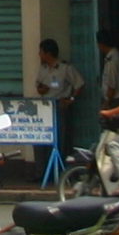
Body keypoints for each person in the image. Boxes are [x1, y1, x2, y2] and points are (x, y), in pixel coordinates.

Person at [35, 38, 83, 174]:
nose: (39, 55)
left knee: (61, 139)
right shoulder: (43, 69)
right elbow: (38, 85)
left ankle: (62, 171)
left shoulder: (65, 68)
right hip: (45, 107)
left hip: (59, 105)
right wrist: (41, 89)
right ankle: (44, 171)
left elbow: (79, 84)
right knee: (44, 138)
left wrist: (71, 99)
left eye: (41, 52)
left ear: (48, 53)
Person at [98, 29, 119, 113]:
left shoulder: (113, 59)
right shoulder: (114, 55)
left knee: (113, 125)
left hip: (114, 100)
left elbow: (112, 85)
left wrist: (107, 102)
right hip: (114, 99)